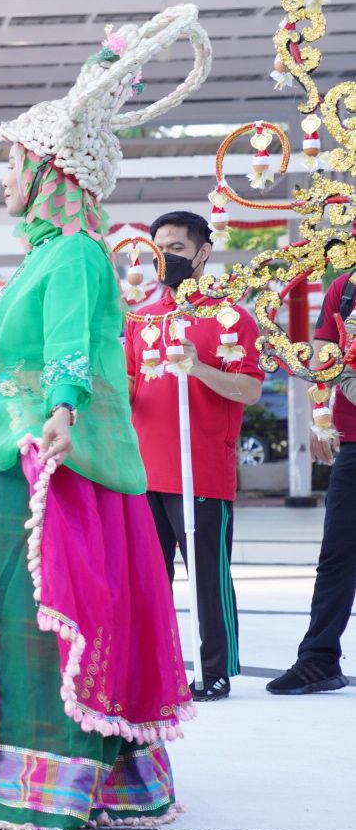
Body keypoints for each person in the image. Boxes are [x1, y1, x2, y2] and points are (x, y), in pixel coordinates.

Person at [0, 6, 209, 830]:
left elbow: (71, 352)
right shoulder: (46, 254)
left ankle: (48, 778)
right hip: (8, 460)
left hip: (44, 467)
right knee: (12, 615)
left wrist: (59, 412)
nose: (3, 177)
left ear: (50, 169)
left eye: (13, 162)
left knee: (41, 619)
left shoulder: (78, 255)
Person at [125, 210, 262, 702]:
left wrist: (198, 366)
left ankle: (216, 671)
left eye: (177, 250)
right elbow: (127, 384)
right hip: (144, 472)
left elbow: (248, 389)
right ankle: (154, 668)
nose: (167, 259)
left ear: (203, 253)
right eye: (160, 249)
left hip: (200, 471)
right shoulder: (141, 315)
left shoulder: (229, 317)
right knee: (147, 580)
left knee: (206, 578)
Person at [267, 271, 356, 694]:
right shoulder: (346, 286)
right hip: (353, 438)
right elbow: (324, 355)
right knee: (338, 553)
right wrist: (321, 420)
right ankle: (319, 659)